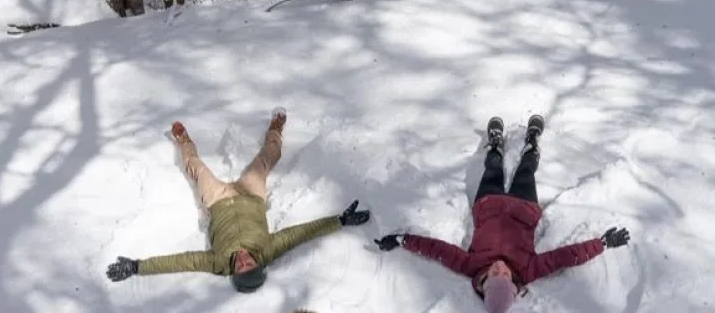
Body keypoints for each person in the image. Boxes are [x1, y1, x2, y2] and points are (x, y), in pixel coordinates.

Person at [373, 115, 630, 312]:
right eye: (505, 275)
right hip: (524, 207)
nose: (500, 268)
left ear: (483, 284)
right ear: (514, 284)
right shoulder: (528, 270)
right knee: (526, 172)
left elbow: (437, 250)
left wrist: (401, 240)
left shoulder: (470, 265)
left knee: (493, 168)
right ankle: (531, 142)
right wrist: (601, 244)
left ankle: (495, 144)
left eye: (494, 275)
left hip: (489, 204)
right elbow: (564, 257)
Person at [106, 107, 371, 292]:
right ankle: (276, 128)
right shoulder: (267, 250)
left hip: (218, 201)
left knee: (197, 169)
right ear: (258, 263)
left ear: (234, 273)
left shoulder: (218, 263)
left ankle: (184, 140)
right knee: (268, 158)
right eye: (251, 264)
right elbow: (298, 234)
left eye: (241, 267)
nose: (244, 260)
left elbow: (180, 261)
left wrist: (138, 266)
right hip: (251, 195)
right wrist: (339, 221)